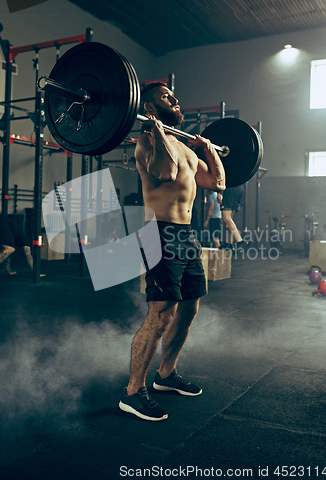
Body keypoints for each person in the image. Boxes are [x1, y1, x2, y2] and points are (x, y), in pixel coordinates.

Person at [119, 82, 225, 421]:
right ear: (149, 105)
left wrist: (208, 149)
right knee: (161, 313)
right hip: (157, 231)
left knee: (190, 307)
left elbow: (219, 182)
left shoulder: (187, 149)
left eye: (174, 95)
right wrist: (156, 129)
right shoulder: (147, 142)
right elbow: (167, 172)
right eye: (166, 96)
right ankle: (134, 391)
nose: (175, 99)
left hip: (186, 234)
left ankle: (166, 374)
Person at [220, 186, 246, 251]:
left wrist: (218, 192)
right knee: (229, 220)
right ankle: (228, 243)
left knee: (226, 217)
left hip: (231, 189)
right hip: (239, 188)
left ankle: (239, 240)